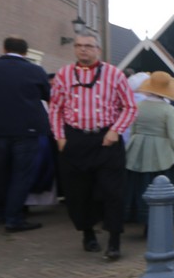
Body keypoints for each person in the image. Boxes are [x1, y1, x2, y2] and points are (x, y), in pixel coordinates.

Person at [48, 33, 137, 260]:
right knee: (79, 192)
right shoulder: (64, 74)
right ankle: (87, 234)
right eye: (78, 45)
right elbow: (55, 109)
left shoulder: (114, 74)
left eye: (88, 46)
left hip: (106, 140)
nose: (83, 49)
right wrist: (60, 137)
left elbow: (130, 107)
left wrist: (115, 130)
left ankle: (114, 240)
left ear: (98, 49)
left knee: (113, 191)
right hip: (75, 139)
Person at [0, 37, 52, 232]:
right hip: (27, 129)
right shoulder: (35, 70)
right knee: (21, 174)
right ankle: (13, 218)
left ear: (4, 49)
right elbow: (47, 95)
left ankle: (1, 214)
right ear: (26, 52)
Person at [125, 71, 174, 229]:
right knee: (162, 186)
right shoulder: (168, 110)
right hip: (162, 153)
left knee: (140, 185)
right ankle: (159, 222)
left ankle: (141, 217)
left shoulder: (138, 106)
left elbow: (132, 130)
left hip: (138, 149)